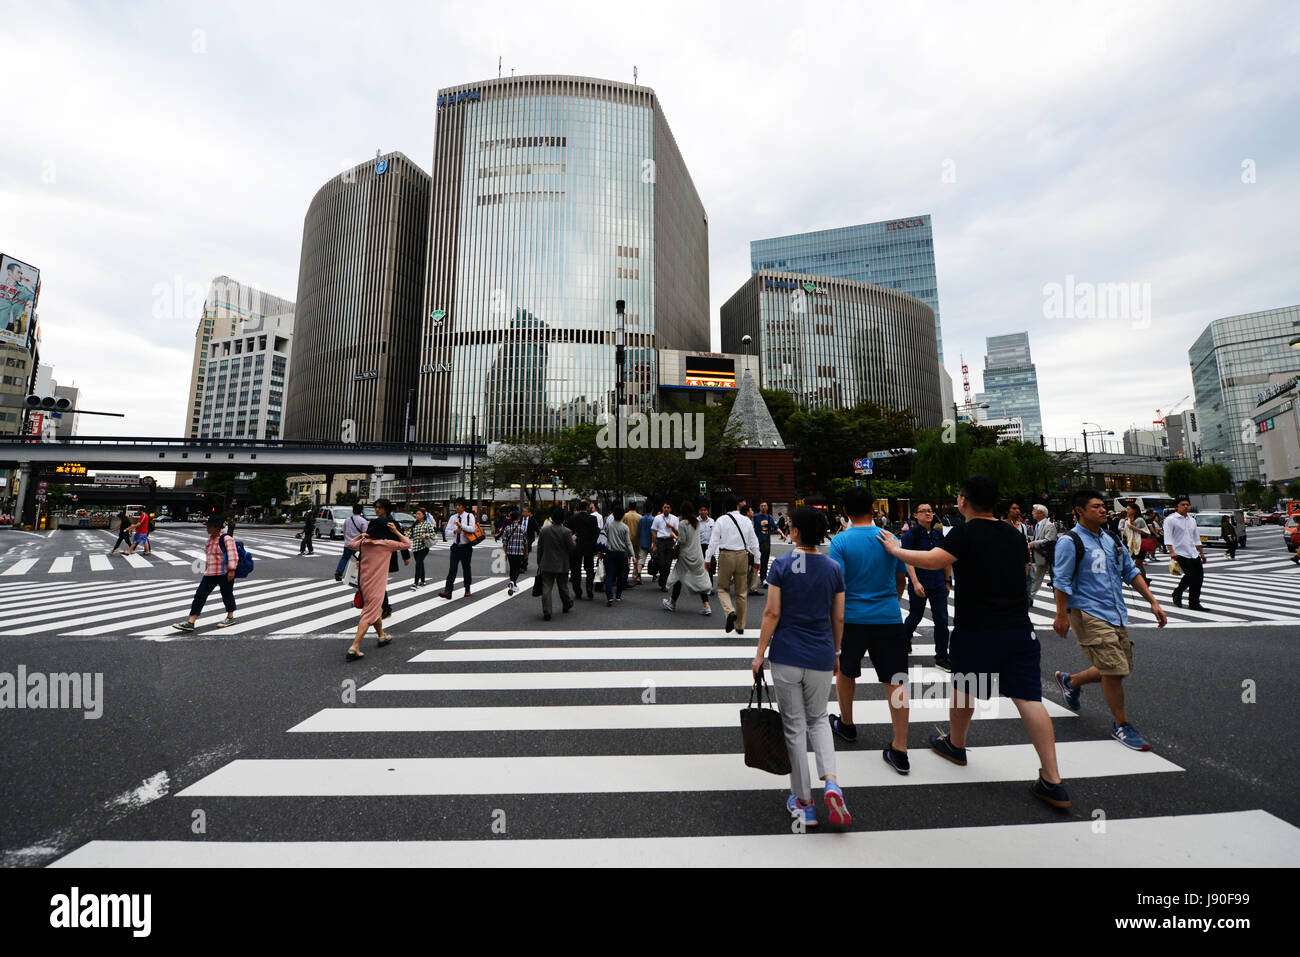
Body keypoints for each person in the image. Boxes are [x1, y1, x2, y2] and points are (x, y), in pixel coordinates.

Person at [878, 474, 1071, 809]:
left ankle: (956, 744)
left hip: (976, 629)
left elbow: (934, 561)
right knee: (1028, 698)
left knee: (965, 685)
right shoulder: (1013, 534)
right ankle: (1052, 779)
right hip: (1018, 629)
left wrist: (897, 549)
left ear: (964, 501)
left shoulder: (964, 533)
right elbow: (1025, 572)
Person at [750, 506, 850, 829]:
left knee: (794, 726)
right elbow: (838, 617)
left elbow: (771, 614)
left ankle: (804, 803)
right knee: (819, 718)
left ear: (794, 532)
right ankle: (831, 782)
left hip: (787, 655)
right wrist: (835, 651)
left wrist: (759, 653)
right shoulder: (833, 568)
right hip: (821, 654)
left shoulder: (781, 565)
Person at [1052, 489, 1167, 751]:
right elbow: (1061, 580)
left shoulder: (1111, 539)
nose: (1103, 510)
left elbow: (1130, 570)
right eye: (1096, 507)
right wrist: (1061, 614)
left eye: (1103, 506)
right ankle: (1121, 724)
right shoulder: (1070, 542)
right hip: (1086, 612)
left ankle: (1072, 681)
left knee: (1121, 665)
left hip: (1114, 610)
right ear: (1079, 511)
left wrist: (1153, 601)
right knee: (1114, 668)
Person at [827, 486, 912, 774]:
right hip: (888, 616)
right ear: (873, 508)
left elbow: (837, 587)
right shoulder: (889, 538)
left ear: (845, 511)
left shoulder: (840, 542)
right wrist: (892, 599)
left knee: (847, 672)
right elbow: (901, 578)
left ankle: (847, 724)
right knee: (896, 681)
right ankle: (900, 748)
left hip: (851, 618)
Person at [344, 517, 411, 661]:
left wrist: (361, 536)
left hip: (364, 583)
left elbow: (350, 544)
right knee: (368, 613)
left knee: (374, 609)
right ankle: (354, 647)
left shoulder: (363, 543)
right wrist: (396, 532)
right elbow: (407, 543)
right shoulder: (386, 544)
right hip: (377, 584)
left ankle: (381, 636)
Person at [900, 502, 952, 672]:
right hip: (920, 582)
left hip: (937, 583)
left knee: (942, 620)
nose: (928, 514)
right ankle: (904, 639)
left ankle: (942, 656)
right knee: (915, 616)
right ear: (916, 515)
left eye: (930, 511)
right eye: (924, 511)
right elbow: (909, 560)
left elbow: (945, 558)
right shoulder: (911, 535)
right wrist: (915, 582)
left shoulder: (938, 534)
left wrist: (947, 581)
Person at [171, 517, 239, 632]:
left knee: (227, 594)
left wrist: (232, 570)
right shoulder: (209, 540)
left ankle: (230, 617)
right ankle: (191, 622)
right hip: (210, 573)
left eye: (209, 526)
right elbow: (209, 557)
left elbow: (233, 555)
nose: (207, 528)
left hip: (225, 573)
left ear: (216, 527)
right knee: (200, 595)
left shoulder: (227, 539)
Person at [706, 495, 761, 636]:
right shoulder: (746, 521)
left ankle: (730, 611)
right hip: (742, 555)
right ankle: (741, 625)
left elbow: (713, 542)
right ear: (737, 506)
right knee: (741, 592)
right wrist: (757, 561)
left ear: (725, 507)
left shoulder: (721, 520)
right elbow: (754, 542)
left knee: (722, 588)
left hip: (726, 555)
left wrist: (708, 558)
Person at [662, 501, 713, 616]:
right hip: (698, 554)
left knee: (679, 577)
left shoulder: (683, 523)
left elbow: (683, 540)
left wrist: (675, 539)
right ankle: (706, 605)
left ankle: (672, 603)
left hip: (686, 556)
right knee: (700, 579)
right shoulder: (696, 523)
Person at [1166, 495, 1208, 610]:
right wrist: (1171, 552)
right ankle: (1177, 593)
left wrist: (1202, 553)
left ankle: (1194, 603)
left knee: (1199, 578)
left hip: (1193, 553)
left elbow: (1196, 538)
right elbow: (1168, 537)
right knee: (1190, 575)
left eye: (1187, 505)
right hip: (1180, 552)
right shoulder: (1170, 520)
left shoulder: (1192, 520)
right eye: (1183, 505)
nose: (1185, 507)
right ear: (1177, 507)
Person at [535, 505, 576, 620]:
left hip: (546, 563)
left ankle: (547, 610)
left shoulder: (544, 530)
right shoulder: (566, 532)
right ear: (563, 519)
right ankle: (566, 604)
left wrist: (539, 561)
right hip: (562, 564)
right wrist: (574, 539)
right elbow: (572, 547)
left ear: (552, 519)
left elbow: (540, 547)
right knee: (563, 586)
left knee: (546, 587)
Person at [441, 498, 476, 599]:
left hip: (466, 547)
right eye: (456, 505)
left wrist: (462, 526)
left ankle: (467, 589)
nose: (457, 507)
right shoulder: (453, 517)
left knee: (466, 569)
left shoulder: (469, 516)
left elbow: (472, 528)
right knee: (452, 569)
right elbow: (447, 531)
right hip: (455, 547)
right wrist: (455, 531)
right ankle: (448, 591)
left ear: (464, 507)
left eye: (459, 505)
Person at [566, 500, 600, 600]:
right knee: (589, 568)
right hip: (589, 547)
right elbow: (595, 534)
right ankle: (589, 588)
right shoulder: (593, 519)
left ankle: (578, 591)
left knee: (575, 570)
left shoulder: (573, 518)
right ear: (586, 508)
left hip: (576, 547)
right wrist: (596, 548)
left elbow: (569, 532)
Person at [601, 505, 633, 605]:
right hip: (621, 554)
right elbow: (628, 542)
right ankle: (618, 595)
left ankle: (609, 596)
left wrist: (600, 551)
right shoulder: (625, 527)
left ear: (613, 514)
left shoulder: (608, 525)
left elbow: (603, 537)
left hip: (610, 553)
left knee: (609, 575)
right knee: (620, 575)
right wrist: (633, 555)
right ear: (623, 515)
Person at [1028, 504, 1059, 602]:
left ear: (1041, 513)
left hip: (1050, 557)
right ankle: (1029, 598)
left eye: (1034, 511)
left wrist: (1033, 543)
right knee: (1036, 578)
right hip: (1040, 556)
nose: (1032, 513)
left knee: (1055, 579)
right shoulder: (1038, 524)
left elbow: (1050, 540)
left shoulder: (1049, 525)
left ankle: (1060, 599)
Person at [334, 503, 367, 583]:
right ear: (361, 511)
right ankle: (361, 575)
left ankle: (339, 572)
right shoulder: (363, 521)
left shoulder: (347, 519)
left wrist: (347, 540)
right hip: (358, 545)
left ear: (353, 510)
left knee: (345, 558)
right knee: (361, 559)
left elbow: (344, 531)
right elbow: (365, 533)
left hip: (348, 544)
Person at [651, 502, 678, 592]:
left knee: (668, 563)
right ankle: (662, 580)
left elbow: (678, 532)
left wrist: (672, 527)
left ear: (670, 509)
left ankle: (664, 583)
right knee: (662, 562)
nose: (666, 509)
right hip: (660, 541)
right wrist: (654, 544)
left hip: (670, 541)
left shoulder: (674, 518)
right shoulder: (657, 518)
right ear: (662, 508)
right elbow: (654, 532)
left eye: (668, 507)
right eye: (665, 507)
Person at [1118, 502, 1152, 576]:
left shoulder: (1140, 520)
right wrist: (1123, 540)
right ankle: (1140, 580)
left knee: (1138, 564)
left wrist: (1134, 528)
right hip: (1131, 545)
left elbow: (1147, 533)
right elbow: (1126, 533)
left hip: (1140, 545)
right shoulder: (1127, 520)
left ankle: (1144, 580)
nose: (1126, 510)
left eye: (1128, 509)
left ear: (1135, 510)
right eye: (1126, 509)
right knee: (1133, 564)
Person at [754, 502, 781, 587]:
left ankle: (763, 579)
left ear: (767, 507)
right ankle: (751, 580)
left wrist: (783, 534)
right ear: (759, 507)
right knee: (754, 561)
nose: (763, 507)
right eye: (761, 506)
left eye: (765, 506)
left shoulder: (769, 517)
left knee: (764, 560)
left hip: (766, 542)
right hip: (756, 542)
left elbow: (776, 527)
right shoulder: (755, 517)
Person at [407, 507, 435, 589]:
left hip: (424, 546)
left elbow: (433, 534)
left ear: (423, 515)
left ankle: (415, 583)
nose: (417, 515)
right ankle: (422, 580)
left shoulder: (427, 524)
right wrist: (402, 538)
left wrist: (425, 535)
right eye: (416, 514)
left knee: (418, 563)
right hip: (415, 547)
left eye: (419, 514)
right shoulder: (414, 525)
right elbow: (409, 535)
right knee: (420, 563)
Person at [620, 502, 642, 584]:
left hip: (626, 540)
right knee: (636, 557)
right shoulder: (639, 517)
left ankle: (626, 572)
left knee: (626, 558)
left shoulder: (625, 516)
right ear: (636, 507)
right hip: (636, 540)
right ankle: (635, 573)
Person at [697, 504, 716, 593]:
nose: (703, 512)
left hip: (709, 547)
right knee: (701, 568)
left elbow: (715, 534)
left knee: (710, 566)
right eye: (701, 510)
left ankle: (710, 587)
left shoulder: (712, 521)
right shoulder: (696, 521)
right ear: (699, 511)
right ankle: (701, 587)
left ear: (707, 511)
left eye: (705, 510)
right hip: (699, 546)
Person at [637, 503, 656, 584]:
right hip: (651, 543)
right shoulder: (653, 519)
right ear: (652, 510)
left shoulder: (641, 519)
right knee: (654, 559)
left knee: (641, 560)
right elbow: (654, 532)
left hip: (642, 542)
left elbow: (638, 531)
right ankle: (654, 576)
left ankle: (639, 575)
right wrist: (654, 543)